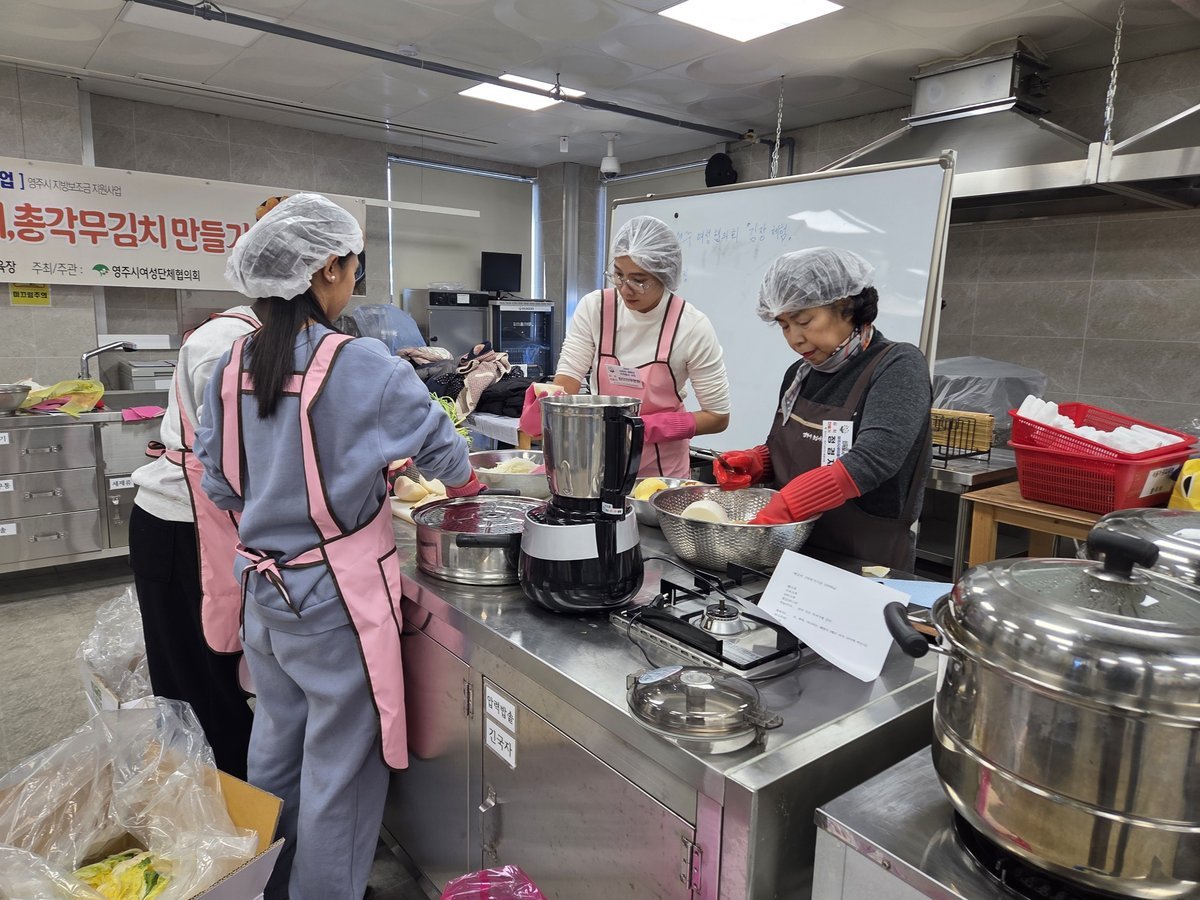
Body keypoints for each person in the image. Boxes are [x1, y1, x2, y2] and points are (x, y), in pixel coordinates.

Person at [194, 193, 479, 900]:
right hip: (334, 601)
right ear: (326, 269)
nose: (355, 279)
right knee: (341, 766)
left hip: (263, 593)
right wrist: (450, 484)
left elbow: (219, 483)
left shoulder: (227, 366)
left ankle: (271, 884)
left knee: (277, 743)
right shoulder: (363, 364)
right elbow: (450, 461)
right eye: (354, 266)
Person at [714, 247, 932, 571]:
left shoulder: (898, 365)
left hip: (864, 558)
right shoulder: (799, 375)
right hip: (791, 548)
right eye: (784, 326)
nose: (795, 339)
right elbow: (791, 450)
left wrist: (790, 504)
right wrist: (758, 462)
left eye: (804, 321)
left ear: (845, 306)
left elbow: (874, 459)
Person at [127, 291, 267, 781]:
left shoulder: (256, 338)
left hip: (211, 523)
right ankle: (218, 801)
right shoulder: (225, 342)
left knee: (220, 671)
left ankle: (233, 792)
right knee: (199, 683)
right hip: (180, 526)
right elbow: (236, 453)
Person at [519, 215, 730, 478]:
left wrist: (647, 427)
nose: (625, 289)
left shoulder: (691, 327)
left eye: (639, 280)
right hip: (598, 464)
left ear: (664, 275)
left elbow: (718, 416)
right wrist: (548, 404)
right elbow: (568, 380)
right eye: (618, 275)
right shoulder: (596, 308)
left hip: (661, 474)